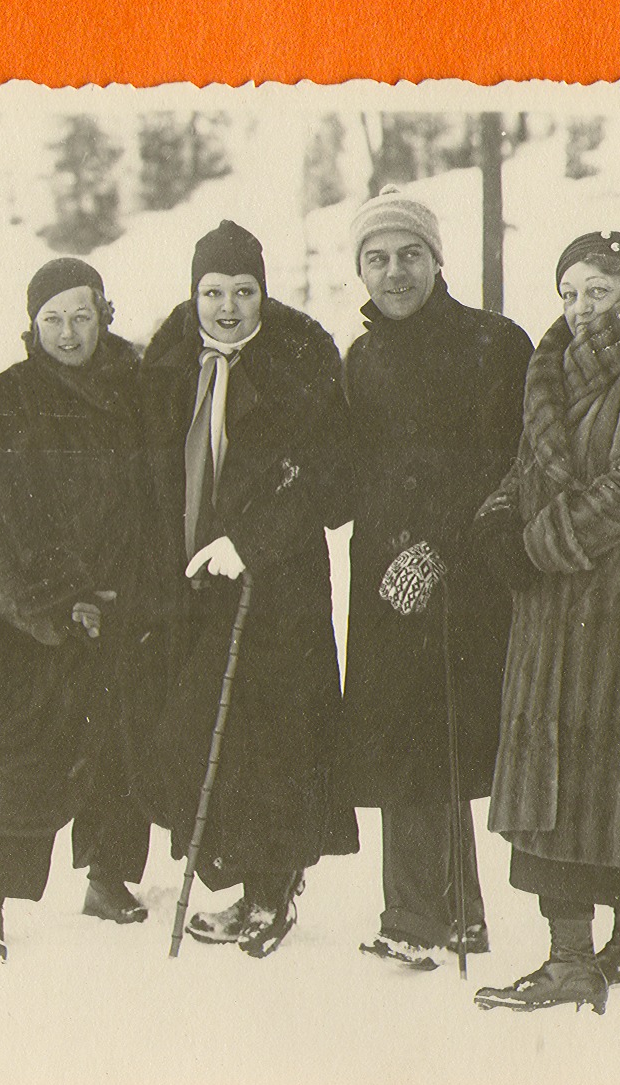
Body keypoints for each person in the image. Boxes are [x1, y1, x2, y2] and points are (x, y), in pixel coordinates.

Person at [472, 232, 620, 1014]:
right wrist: (496, 521)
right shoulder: (552, 369)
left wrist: (536, 546)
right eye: (568, 292)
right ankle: (606, 950)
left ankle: (600, 954)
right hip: (556, 615)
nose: (577, 309)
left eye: (596, 293)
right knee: (572, 773)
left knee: (617, 773)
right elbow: (526, 467)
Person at [140, 220, 358, 959]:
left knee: (273, 741)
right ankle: (241, 878)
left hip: (277, 588)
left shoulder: (302, 364)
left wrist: (251, 542)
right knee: (195, 735)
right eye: (212, 292)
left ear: (263, 294)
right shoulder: (168, 364)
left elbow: (327, 482)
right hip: (191, 582)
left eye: (242, 292)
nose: (227, 307)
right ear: (192, 293)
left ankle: (271, 893)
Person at [333, 188, 532, 970]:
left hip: (463, 573)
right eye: (376, 260)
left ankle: (439, 914)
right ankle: (426, 915)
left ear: (436, 259)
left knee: (446, 736)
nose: (394, 273)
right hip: (382, 575)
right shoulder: (361, 357)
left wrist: (441, 548)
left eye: (409, 255)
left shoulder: (493, 343)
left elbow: (504, 461)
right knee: (402, 744)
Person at [0, 259, 161, 963]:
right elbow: (17, 508)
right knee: (30, 746)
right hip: (44, 607)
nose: (68, 333)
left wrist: (124, 590)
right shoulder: (12, 395)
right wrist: (68, 596)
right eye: (52, 320)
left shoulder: (137, 384)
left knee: (119, 742)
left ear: (103, 312)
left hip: (125, 596)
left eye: (80, 315)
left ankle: (107, 878)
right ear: (31, 326)